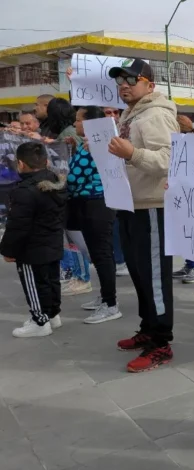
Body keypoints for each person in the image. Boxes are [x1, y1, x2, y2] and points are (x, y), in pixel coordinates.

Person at [106, 58, 179, 373]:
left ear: (150, 84)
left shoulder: (155, 115)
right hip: (131, 203)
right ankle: (148, 327)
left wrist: (131, 154)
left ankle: (161, 343)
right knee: (139, 273)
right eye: (120, 80)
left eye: (131, 79)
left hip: (152, 206)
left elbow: (169, 159)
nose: (123, 85)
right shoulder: (132, 114)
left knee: (154, 277)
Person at [0, 142, 66, 338]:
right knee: (51, 281)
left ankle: (40, 320)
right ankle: (52, 314)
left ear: (20, 164)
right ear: (46, 161)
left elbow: (17, 226)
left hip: (32, 248)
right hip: (53, 241)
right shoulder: (56, 182)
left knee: (34, 284)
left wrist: (7, 250)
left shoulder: (25, 191)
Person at [67, 106, 123, 324]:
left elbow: (75, 177)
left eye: (78, 120)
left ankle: (110, 304)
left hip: (96, 204)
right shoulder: (88, 144)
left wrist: (65, 179)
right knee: (99, 254)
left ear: (89, 123)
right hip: (91, 203)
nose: (75, 124)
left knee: (102, 254)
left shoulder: (96, 145)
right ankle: (105, 296)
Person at [171, 115, 194, 285]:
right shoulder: (183, 141)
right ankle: (190, 264)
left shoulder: (193, 143)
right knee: (185, 232)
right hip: (183, 193)